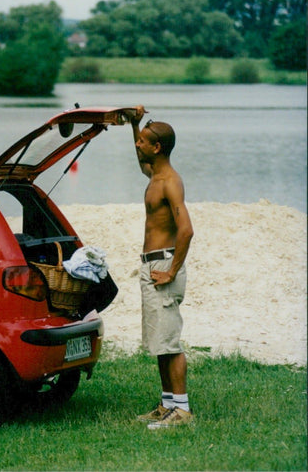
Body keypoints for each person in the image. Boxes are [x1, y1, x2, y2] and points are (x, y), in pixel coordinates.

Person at [129, 106, 195, 430]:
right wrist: (134, 123)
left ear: (157, 148)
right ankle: (167, 404)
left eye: (143, 141)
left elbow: (187, 230)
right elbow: (140, 159)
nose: (138, 145)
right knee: (159, 340)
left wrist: (170, 270)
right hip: (151, 266)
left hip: (164, 265)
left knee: (170, 341)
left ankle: (182, 411)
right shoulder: (154, 174)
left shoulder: (170, 182)